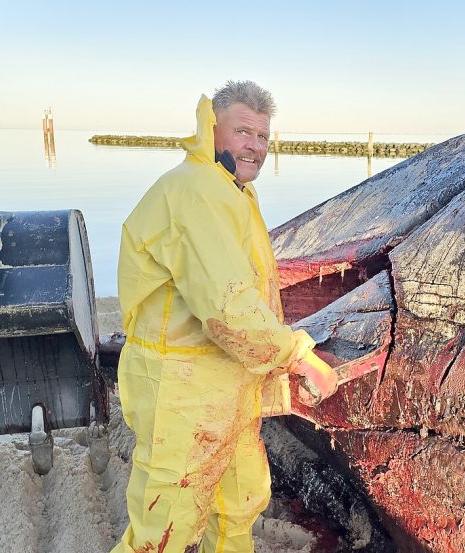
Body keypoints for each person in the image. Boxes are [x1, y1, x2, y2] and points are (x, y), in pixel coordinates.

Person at [111, 80, 338, 553]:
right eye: (243, 132)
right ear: (212, 130)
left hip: (226, 383)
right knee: (163, 528)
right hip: (182, 386)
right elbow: (229, 309)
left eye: (262, 136)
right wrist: (298, 355)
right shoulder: (197, 191)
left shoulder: (231, 190)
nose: (255, 146)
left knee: (238, 505)